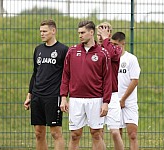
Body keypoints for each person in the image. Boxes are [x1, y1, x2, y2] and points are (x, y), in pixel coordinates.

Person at [60, 20, 112, 150]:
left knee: (96, 134)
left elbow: (107, 80)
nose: (80, 35)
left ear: (91, 32)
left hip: (96, 99)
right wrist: (63, 97)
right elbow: (65, 76)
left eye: (83, 32)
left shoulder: (103, 53)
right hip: (76, 99)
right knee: (74, 135)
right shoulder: (72, 51)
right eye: (79, 33)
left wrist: (106, 102)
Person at [23, 19, 68, 150]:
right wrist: (29, 96)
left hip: (53, 96)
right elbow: (35, 73)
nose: (42, 34)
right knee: (38, 132)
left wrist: (64, 97)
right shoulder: (38, 50)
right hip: (37, 96)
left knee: (55, 133)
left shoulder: (63, 50)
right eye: (40, 31)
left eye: (45, 31)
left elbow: (67, 76)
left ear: (53, 31)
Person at [111, 32, 141, 150]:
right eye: (111, 44)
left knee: (132, 134)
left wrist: (123, 99)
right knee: (117, 134)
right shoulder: (111, 59)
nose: (113, 46)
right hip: (114, 101)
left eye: (115, 44)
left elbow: (134, 81)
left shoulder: (131, 59)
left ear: (123, 44)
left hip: (129, 102)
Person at [97, 22, 124, 150]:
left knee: (114, 131)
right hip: (96, 95)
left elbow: (112, 55)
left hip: (112, 95)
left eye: (103, 33)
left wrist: (106, 40)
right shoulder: (94, 50)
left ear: (109, 34)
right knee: (97, 133)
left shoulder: (116, 49)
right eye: (98, 34)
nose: (100, 36)